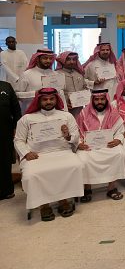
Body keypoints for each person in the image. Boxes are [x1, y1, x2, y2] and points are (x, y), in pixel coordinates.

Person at [14, 88, 84, 221]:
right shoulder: (27, 118)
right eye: (45, 99)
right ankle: (43, 205)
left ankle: (63, 200)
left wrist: (68, 136)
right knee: (31, 174)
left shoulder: (66, 116)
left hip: (62, 152)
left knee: (75, 166)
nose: (48, 102)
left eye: (51, 99)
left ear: (56, 100)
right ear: (38, 101)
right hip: (37, 155)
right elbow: (18, 140)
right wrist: (26, 153)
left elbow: (76, 136)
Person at [75, 89, 125, 202]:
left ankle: (111, 187)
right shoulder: (84, 113)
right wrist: (79, 143)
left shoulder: (113, 112)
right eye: (97, 99)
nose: (99, 102)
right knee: (82, 159)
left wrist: (118, 139)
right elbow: (76, 132)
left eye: (102, 99)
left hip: (108, 145)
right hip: (88, 147)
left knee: (120, 154)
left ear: (106, 99)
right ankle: (87, 188)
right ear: (92, 100)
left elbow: (120, 130)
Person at [14, 48, 59, 113]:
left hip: (52, 113)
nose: (48, 61)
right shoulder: (26, 74)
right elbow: (17, 95)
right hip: (32, 113)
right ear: (37, 59)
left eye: (50, 58)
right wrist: (35, 93)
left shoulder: (56, 74)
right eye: (45, 58)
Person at [0, 80, 20, 200]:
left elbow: (16, 109)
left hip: (4, 131)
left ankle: (6, 190)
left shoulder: (6, 86)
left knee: (5, 160)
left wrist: (17, 128)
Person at [55, 51, 88, 116]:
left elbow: (85, 88)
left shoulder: (79, 74)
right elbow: (53, 93)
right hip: (63, 110)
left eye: (74, 59)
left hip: (79, 110)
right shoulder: (56, 75)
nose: (72, 62)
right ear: (62, 61)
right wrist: (63, 104)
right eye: (68, 59)